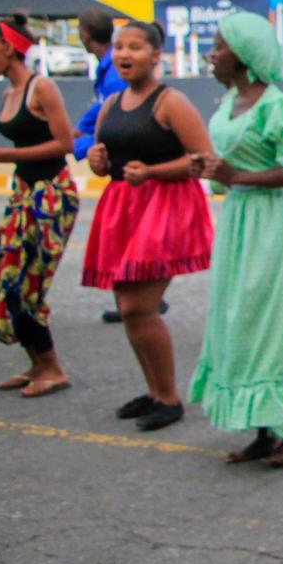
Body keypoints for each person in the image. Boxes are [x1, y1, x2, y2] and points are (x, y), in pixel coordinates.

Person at [187, 12, 283, 467]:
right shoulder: (227, 104)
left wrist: (235, 174)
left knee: (268, 322)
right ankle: (265, 430)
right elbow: (225, 176)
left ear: (243, 55)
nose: (211, 53)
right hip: (239, 220)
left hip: (273, 223)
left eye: (219, 45)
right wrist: (212, 175)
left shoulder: (277, 105)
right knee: (238, 320)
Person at [82, 21, 214, 431]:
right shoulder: (111, 104)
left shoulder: (170, 101)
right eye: (119, 47)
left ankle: (169, 397)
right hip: (124, 208)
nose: (124, 54)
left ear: (156, 56)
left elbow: (204, 159)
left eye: (135, 47)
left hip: (165, 209)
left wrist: (154, 171)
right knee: (127, 307)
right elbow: (105, 155)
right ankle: (155, 390)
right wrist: (98, 162)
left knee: (138, 306)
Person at [0, 14, 79, 397]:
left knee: (28, 284)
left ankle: (53, 369)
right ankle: (36, 365)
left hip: (51, 195)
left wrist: (2, 156)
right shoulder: (9, 92)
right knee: (5, 279)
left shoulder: (39, 87)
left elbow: (65, 144)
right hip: (24, 193)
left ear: (8, 47)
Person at [73, 9, 149, 327]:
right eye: (120, 48)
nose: (124, 56)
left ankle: (140, 298)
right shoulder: (107, 74)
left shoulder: (116, 76)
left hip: (130, 172)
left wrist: (79, 142)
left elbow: (124, 116)